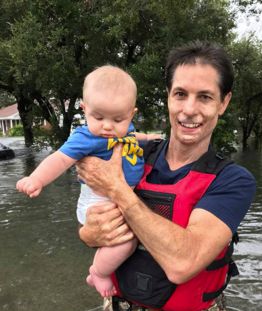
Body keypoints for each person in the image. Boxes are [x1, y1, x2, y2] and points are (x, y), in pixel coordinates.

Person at [76, 41, 256, 311]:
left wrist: (120, 191)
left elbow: (182, 263)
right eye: (180, 94)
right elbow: (87, 217)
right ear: (168, 99)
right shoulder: (130, 154)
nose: (190, 109)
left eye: (205, 97)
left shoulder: (233, 181)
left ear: (223, 103)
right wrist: (88, 233)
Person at [16, 65, 161, 297]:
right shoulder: (85, 137)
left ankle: (109, 271)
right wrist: (36, 179)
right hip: (97, 203)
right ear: (84, 110)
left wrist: (150, 138)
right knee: (125, 242)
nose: (107, 126)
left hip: (121, 199)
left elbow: (134, 136)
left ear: (131, 115)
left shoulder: (125, 130)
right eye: (98, 117)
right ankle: (98, 273)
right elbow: (59, 160)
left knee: (134, 237)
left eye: (117, 119)